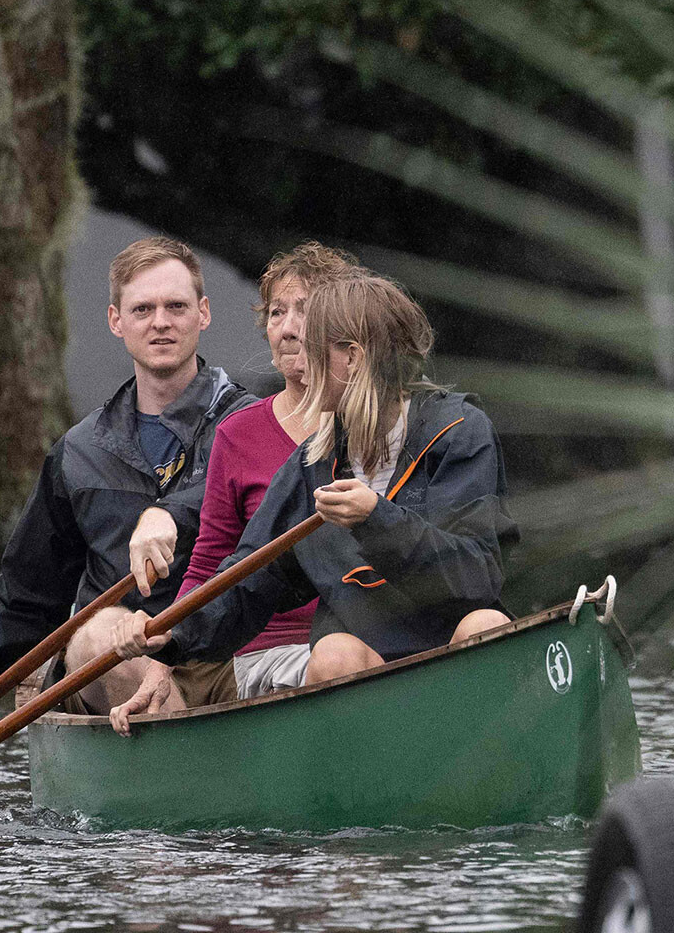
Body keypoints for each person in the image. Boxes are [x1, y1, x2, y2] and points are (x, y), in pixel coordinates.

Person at [103, 269, 512, 727]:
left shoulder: (459, 433)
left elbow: (479, 577)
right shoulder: (310, 465)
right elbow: (246, 582)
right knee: (333, 653)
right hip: (364, 657)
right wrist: (169, 635)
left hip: (448, 651)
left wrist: (377, 518)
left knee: (486, 627)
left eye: (311, 349)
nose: (297, 361)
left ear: (352, 359)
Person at [0, 236, 252, 739]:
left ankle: (190, 762)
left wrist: (170, 514)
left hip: (219, 657)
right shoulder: (78, 453)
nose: (161, 321)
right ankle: (185, 765)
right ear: (116, 321)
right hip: (109, 668)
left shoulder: (251, 423)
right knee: (97, 631)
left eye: (176, 306)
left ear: (203, 314)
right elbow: (27, 595)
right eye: (143, 309)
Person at [111, 240, 361, 719]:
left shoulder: (378, 423)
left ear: (345, 328)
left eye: (304, 311)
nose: (287, 330)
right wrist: (166, 663)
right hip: (270, 655)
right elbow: (207, 563)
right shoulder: (239, 433)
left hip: (376, 638)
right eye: (275, 313)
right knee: (340, 658)